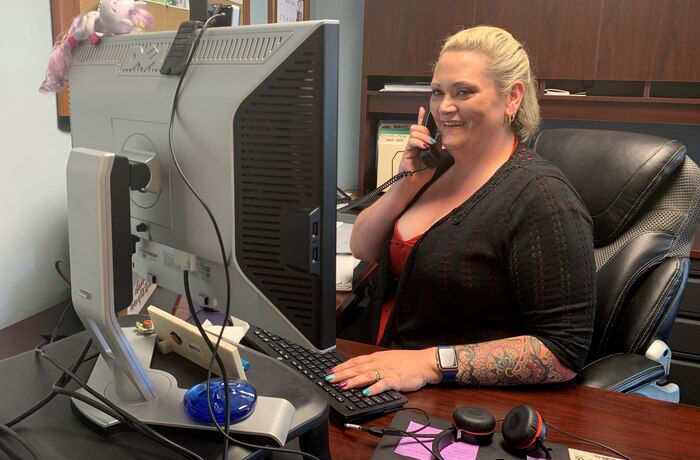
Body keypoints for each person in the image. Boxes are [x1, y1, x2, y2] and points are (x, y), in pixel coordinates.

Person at [330, 26, 596, 396]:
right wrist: (406, 182)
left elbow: (562, 352)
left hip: (452, 399)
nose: (444, 107)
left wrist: (428, 363)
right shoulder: (436, 169)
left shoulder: (542, 198)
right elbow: (361, 247)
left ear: (512, 98)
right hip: (379, 369)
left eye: (464, 92)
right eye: (438, 92)